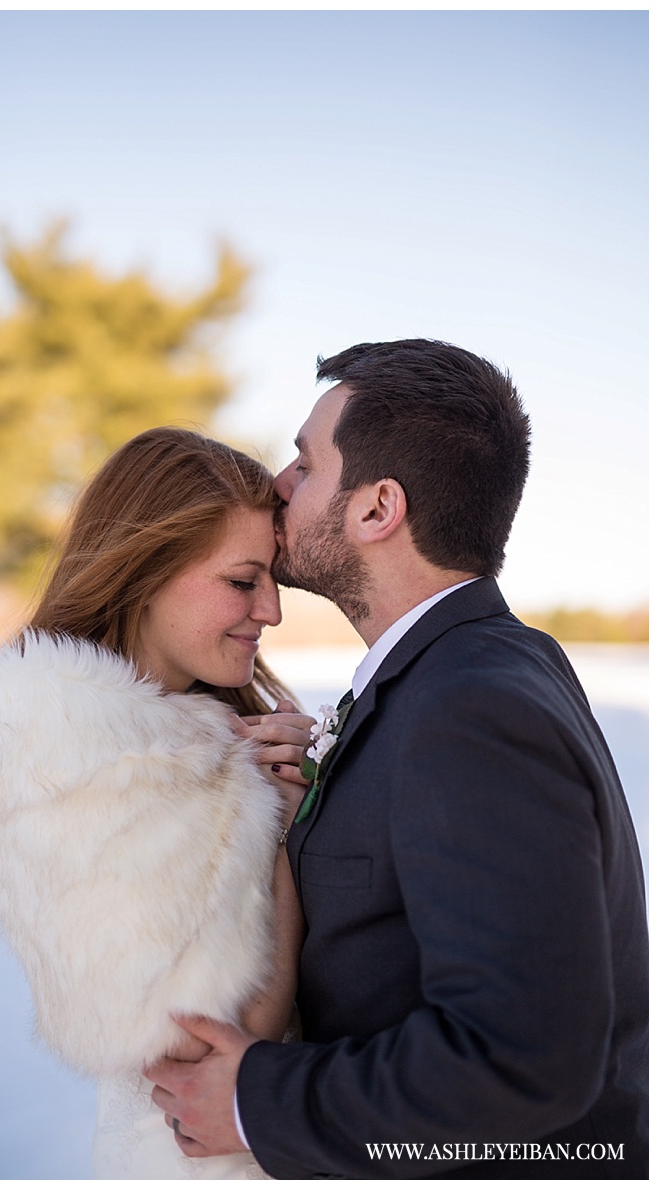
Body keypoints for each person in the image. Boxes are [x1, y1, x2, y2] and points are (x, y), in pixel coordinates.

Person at [146, 340, 649, 1179]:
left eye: (305, 463)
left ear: (378, 508)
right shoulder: (469, 671)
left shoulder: (470, 707)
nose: (278, 483)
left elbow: (522, 1059)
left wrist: (255, 1098)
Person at [0, 427, 316, 1180]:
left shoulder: (206, 730)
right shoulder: (55, 738)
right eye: (243, 581)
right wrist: (287, 831)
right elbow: (213, 1042)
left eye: (272, 579)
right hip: (202, 1161)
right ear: (148, 569)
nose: (270, 610)